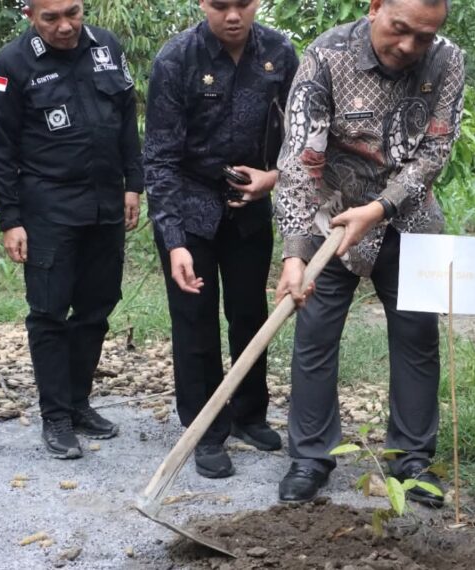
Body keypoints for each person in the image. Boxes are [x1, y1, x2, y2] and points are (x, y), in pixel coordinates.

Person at [273, 0, 465, 505]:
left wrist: (380, 208)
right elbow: (299, 158)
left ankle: (413, 459)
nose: (408, 47)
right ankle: (311, 457)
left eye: (422, 37)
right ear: (376, 5)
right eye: (399, 30)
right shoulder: (325, 56)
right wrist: (294, 252)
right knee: (315, 335)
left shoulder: (447, 60)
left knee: (417, 337)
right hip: (331, 215)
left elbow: (435, 152)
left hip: (410, 216)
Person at [144, 0, 298, 479]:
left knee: (250, 313)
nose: (233, 15)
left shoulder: (280, 52)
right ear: (200, 4)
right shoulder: (176, 60)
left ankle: (250, 413)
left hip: (249, 207)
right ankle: (205, 428)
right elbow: (160, 158)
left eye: (243, 4)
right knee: (194, 321)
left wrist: (271, 179)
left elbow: (303, 139)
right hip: (190, 207)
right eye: (219, 5)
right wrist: (174, 241)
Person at [0, 0, 143, 459]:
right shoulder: (12, 63)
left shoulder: (106, 46)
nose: (65, 26)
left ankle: (79, 404)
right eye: (50, 17)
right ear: (30, 17)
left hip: (105, 204)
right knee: (50, 312)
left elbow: (125, 119)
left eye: (72, 13)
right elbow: (2, 146)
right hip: (48, 208)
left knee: (97, 306)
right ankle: (55, 417)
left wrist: (133, 183)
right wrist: (10, 219)